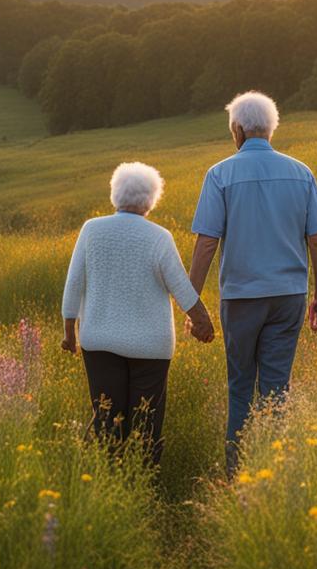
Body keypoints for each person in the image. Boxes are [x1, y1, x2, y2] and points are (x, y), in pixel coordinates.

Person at [187, 91, 317, 476]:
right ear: (271, 129)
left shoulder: (219, 175)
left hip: (241, 298)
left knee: (240, 388)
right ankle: (274, 474)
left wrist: (192, 302)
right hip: (288, 297)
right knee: (276, 390)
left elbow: (206, 244)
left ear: (237, 130)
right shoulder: (301, 173)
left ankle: (237, 476)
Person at [61, 162, 214, 465]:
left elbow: (73, 283)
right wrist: (202, 322)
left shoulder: (92, 230)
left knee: (107, 420)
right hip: (151, 347)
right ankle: (143, 486)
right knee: (146, 423)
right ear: (151, 199)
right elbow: (181, 287)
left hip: (100, 342)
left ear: (115, 194)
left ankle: (109, 480)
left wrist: (69, 333)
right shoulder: (159, 236)